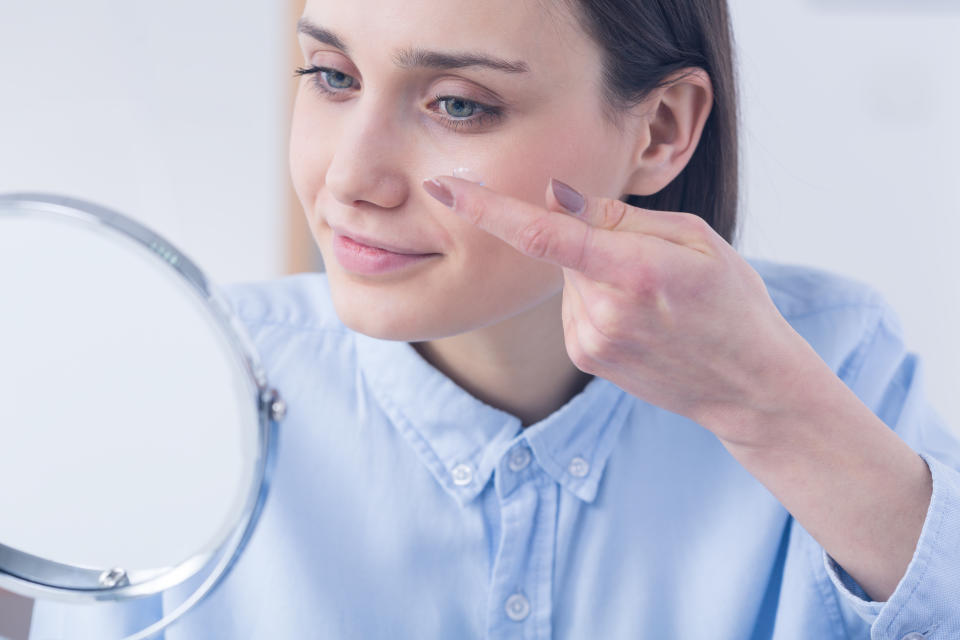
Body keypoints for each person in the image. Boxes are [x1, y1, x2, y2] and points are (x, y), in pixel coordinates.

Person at [31, 0, 960, 638]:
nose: (351, 179)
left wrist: (774, 412)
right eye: (331, 76)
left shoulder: (835, 361)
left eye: (459, 105)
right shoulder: (178, 387)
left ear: (663, 130)